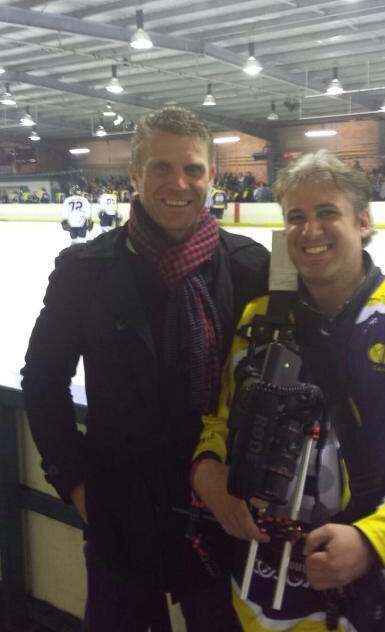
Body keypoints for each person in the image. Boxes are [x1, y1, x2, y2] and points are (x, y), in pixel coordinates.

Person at [20, 107, 270, 632]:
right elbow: (42, 380)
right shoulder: (83, 271)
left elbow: (326, 306)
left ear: (211, 176)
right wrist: (75, 484)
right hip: (120, 517)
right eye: (160, 168)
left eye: (193, 170)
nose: (178, 184)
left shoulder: (252, 266)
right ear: (133, 174)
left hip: (217, 516)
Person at [192, 149, 385, 632]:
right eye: (296, 217)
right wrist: (208, 471)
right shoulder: (259, 320)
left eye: (327, 213)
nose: (310, 230)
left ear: (362, 221)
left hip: (373, 600)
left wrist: (373, 543)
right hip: (260, 594)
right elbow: (219, 423)